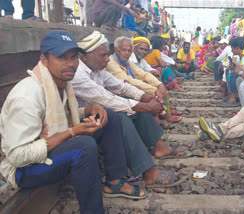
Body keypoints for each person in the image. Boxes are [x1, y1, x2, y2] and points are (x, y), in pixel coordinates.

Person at [0, 31, 148, 214]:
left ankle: (115, 182)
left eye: (73, 57)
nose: (70, 63)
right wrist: (72, 133)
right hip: (25, 170)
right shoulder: (27, 96)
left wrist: (88, 109)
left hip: (49, 148)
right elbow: (17, 156)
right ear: (44, 60)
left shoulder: (60, 83)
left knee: (109, 116)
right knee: (84, 146)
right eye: (62, 57)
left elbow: (60, 117)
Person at [72, 31, 189, 188]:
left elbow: (121, 87)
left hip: (100, 114)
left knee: (135, 108)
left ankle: (159, 146)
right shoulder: (78, 75)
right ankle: (148, 172)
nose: (107, 59)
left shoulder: (98, 68)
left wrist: (147, 98)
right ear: (85, 56)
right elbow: (107, 99)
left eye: (108, 55)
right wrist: (145, 104)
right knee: (120, 116)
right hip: (82, 121)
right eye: (103, 55)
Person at [219, 37, 244, 107]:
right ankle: (234, 95)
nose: (232, 51)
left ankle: (233, 98)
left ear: (238, 48)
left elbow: (243, 69)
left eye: (232, 49)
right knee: (229, 70)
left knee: (234, 73)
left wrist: (236, 68)